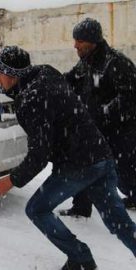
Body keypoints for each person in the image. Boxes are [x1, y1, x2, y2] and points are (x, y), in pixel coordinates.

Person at [0, 46, 136, 270]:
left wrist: (13, 179)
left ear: (11, 75)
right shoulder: (44, 72)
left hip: (77, 165)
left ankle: (80, 259)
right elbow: (12, 84)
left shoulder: (31, 101)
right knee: (117, 220)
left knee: (37, 209)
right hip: (100, 155)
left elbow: (39, 154)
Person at [60, 18, 136, 218]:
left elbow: (129, 96)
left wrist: (103, 114)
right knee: (83, 164)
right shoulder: (85, 62)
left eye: (79, 40)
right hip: (94, 128)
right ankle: (81, 208)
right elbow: (70, 80)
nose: (75, 45)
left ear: (92, 40)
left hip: (120, 131)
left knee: (126, 170)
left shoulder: (116, 62)